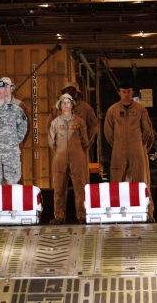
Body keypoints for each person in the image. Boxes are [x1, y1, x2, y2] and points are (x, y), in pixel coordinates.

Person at [48, 93, 89, 224]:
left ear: (72, 105)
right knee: (59, 187)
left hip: (77, 157)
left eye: (68, 103)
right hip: (59, 158)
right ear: (60, 106)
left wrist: (78, 152)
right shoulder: (55, 122)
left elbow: (85, 140)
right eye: (63, 103)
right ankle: (59, 216)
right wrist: (60, 152)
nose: (66, 105)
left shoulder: (79, 121)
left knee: (80, 187)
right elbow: (51, 141)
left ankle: (82, 215)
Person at [104, 80, 154, 184]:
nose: (126, 94)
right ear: (119, 93)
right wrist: (117, 143)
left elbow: (148, 130)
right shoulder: (112, 110)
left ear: (132, 92)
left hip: (136, 148)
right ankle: (118, 200)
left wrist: (140, 144)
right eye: (123, 92)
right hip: (119, 149)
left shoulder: (140, 109)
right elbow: (108, 131)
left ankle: (141, 200)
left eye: (128, 92)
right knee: (117, 179)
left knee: (140, 180)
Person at [59, 81, 100, 153]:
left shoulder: (85, 108)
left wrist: (87, 142)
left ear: (77, 93)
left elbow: (94, 126)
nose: (69, 93)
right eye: (67, 91)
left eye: (72, 91)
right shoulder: (58, 108)